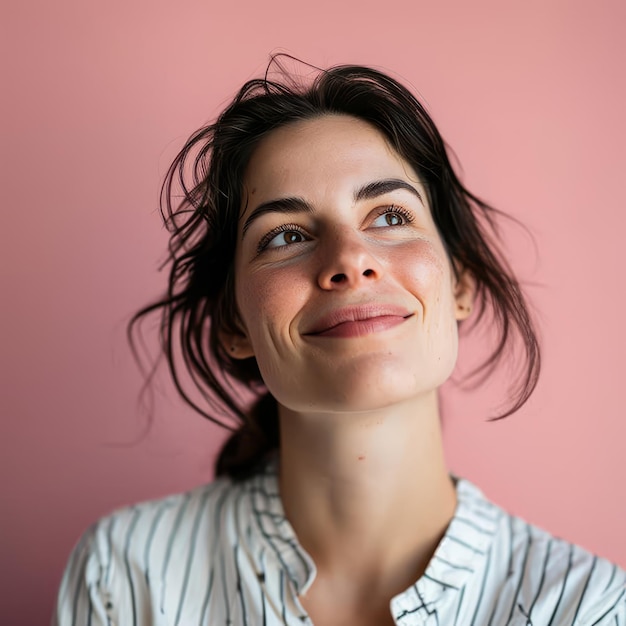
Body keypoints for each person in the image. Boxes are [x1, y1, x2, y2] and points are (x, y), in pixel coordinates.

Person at [53, 56, 625, 625]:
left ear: (461, 284)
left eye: (391, 217)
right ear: (233, 324)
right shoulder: (124, 578)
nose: (350, 261)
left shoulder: (589, 608)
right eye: (285, 235)